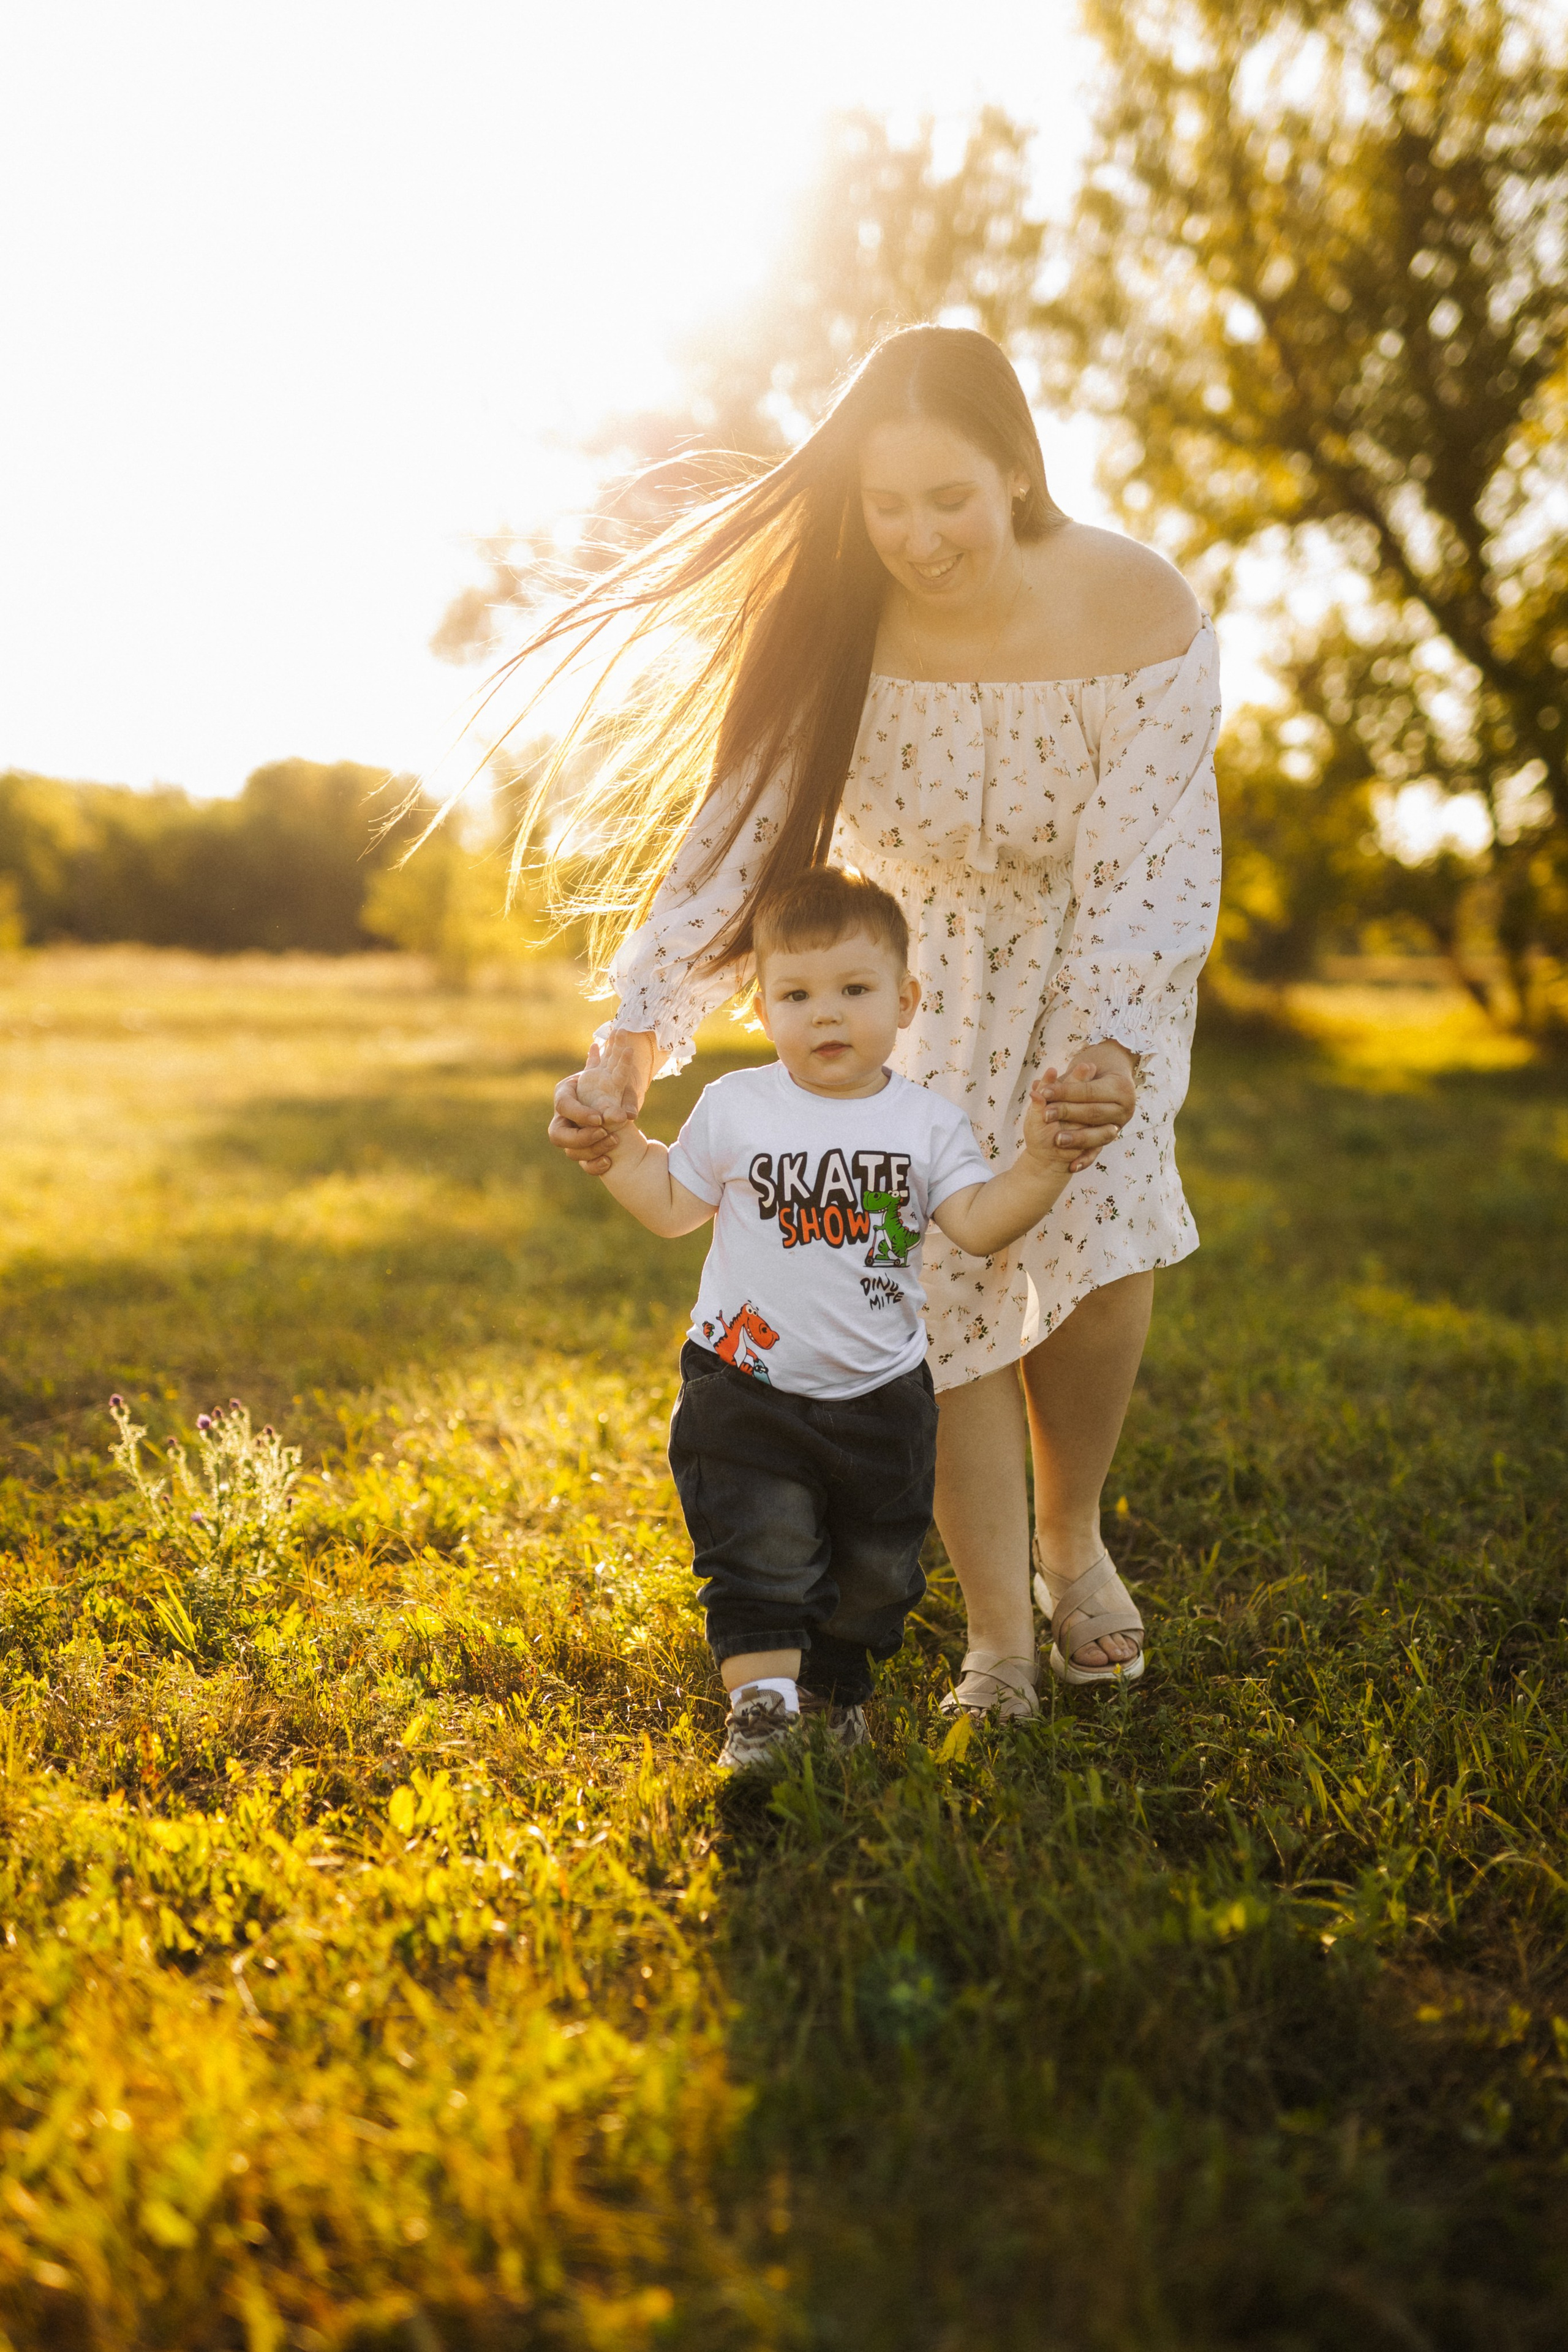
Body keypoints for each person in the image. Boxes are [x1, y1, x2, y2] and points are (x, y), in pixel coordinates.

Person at [530, 324, 1220, 1717]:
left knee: (1096, 1229)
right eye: (884, 503)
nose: (916, 536)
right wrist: (636, 1035)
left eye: (947, 498)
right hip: (916, 984)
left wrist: (1102, 1047)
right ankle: (994, 1645)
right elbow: (736, 840)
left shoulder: (1141, 607)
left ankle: (1070, 1536)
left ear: (1016, 470)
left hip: (1095, 962)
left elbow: (1150, 861)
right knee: (946, 1289)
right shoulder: (835, 618)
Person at [592, 864, 1080, 1769]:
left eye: (854, 991)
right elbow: (669, 1206)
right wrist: (618, 1151)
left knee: (875, 1575)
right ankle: (765, 1718)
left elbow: (975, 1227)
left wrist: (1042, 1166)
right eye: (797, 994)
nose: (826, 1014)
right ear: (764, 1010)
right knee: (758, 1548)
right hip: (747, 1386)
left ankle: (834, 1695)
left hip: (881, 1396)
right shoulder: (737, 1107)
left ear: (906, 1001)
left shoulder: (928, 1125)